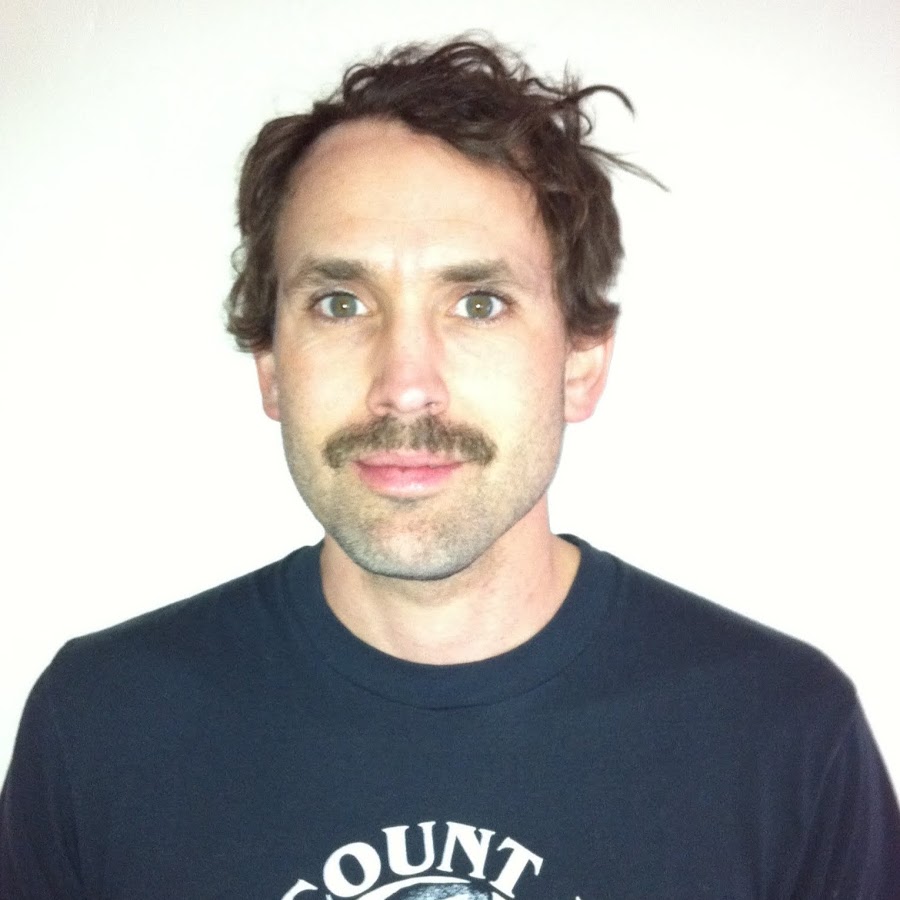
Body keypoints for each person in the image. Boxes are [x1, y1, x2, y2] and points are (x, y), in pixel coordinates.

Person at [1, 36, 898, 900]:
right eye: (341, 302)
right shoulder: (104, 725)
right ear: (271, 367)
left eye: (478, 303)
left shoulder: (782, 735)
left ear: (580, 363)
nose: (404, 386)